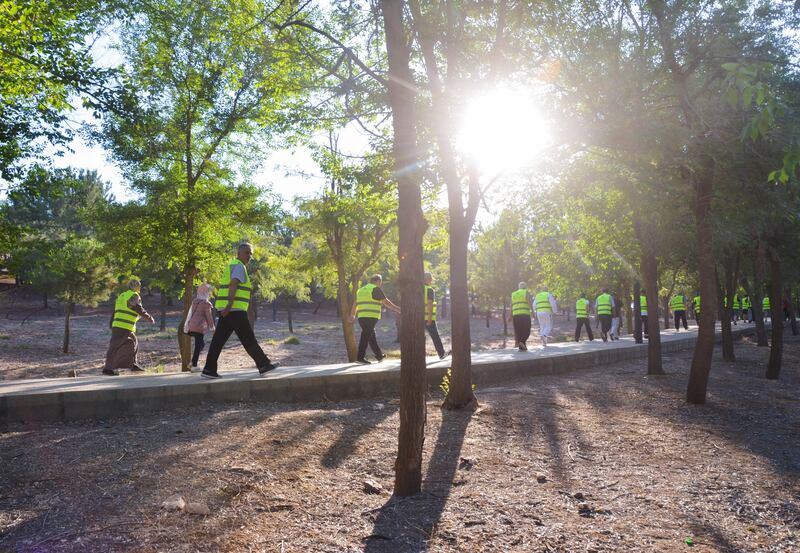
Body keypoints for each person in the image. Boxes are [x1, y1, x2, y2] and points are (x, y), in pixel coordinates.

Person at [201, 243, 279, 379]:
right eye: (246, 252)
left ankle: (209, 369)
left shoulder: (233, 265)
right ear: (239, 253)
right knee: (248, 338)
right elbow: (233, 285)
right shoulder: (239, 266)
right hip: (234, 310)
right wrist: (229, 306)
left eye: (251, 254)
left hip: (229, 310)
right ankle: (263, 365)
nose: (249, 256)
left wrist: (226, 308)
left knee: (218, 341)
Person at [103, 279, 155, 376]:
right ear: (136, 286)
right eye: (139, 285)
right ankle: (108, 368)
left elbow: (116, 311)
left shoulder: (122, 295)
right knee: (114, 347)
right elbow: (138, 308)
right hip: (124, 326)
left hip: (121, 325)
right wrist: (149, 318)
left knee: (133, 343)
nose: (140, 287)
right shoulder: (133, 295)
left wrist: (112, 324)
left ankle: (133, 364)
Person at [350, 274, 400, 364]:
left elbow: (355, 303)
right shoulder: (375, 289)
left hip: (361, 317)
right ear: (378, 281)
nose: (380, 283)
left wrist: (353, 314)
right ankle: (360, 357)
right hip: (371, 316)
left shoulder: (360, 290)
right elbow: (386, 302)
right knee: (365, 335)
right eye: (380, 282)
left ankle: (379, 355)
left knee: (371, 336)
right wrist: (398, 309)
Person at [183, 284, 216, 369]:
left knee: (201, 344)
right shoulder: (206, 304)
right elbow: (209, 317)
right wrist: (213, 329)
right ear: (206, 293)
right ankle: (194, 365)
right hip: (199, 327)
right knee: (199, 345)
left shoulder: (195, 301)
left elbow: (190, 313)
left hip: (191, 326)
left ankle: (193, 362)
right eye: (209, 292)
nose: (209, 293)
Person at [424, 272, 448, 359]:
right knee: (435, 336)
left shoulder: (418, 289)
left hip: (419, 318)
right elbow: (430, 304)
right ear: (428, 279)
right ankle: (441, 353)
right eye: (431, 279)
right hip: (428, 318)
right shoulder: (429, 290)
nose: (432, 280)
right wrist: (430, 318)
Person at [508, 282, 532, 351]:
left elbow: (511, 305)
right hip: (524, 314)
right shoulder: (525, 292)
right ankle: (521, 342)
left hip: (515, 315)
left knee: (518, 331)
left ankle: (522, 347)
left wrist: (510, 316)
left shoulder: (513, 294)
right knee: (527, 330)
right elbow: (529, 302)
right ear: (525, 287)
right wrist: (533, 312)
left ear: (519, 287)